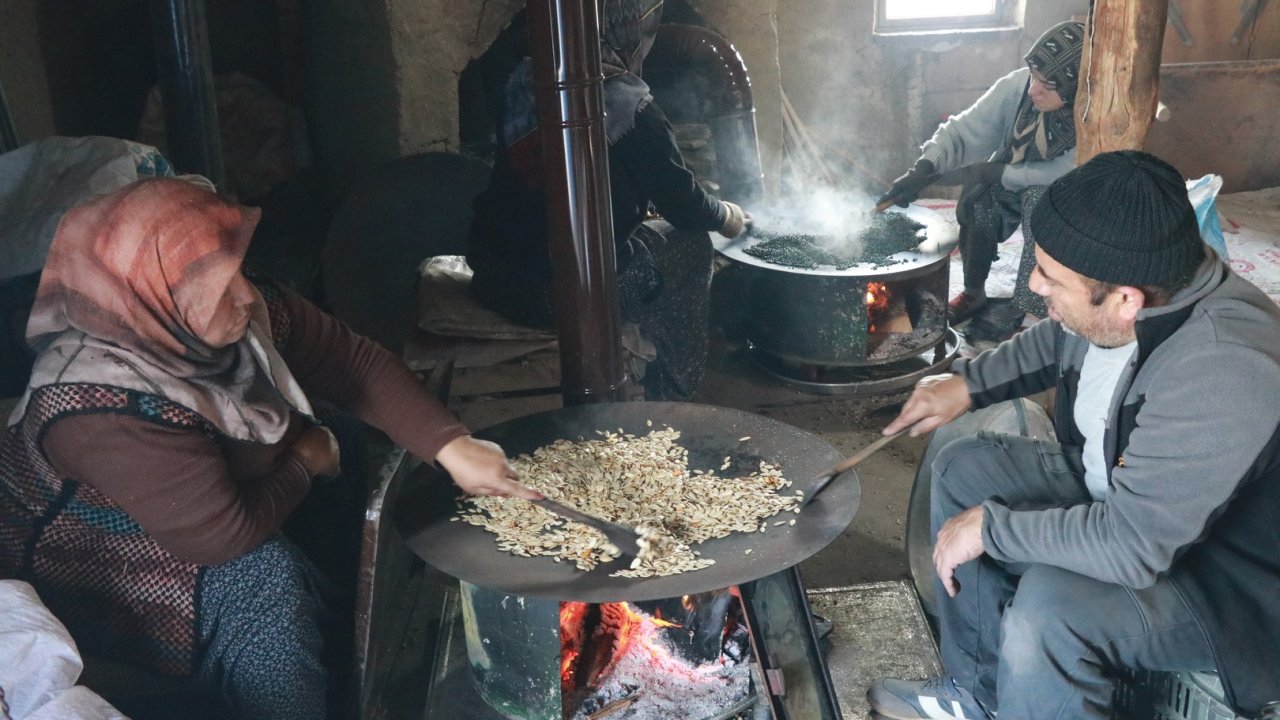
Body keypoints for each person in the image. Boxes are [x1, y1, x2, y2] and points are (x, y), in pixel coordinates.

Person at [0, 177, 543, 720]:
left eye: (237, 271)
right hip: (99, 549)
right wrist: (304, 463)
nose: (245, 295)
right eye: (216, 287)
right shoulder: (98, 410)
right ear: (152, 302)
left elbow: (350, 362)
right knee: (265, 583)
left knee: (336, 424)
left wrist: (453, 446)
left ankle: (344, 622)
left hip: (195, 489)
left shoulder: (238, 309)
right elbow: (221, 536)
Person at [867, 151, 1280, 719]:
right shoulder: (1144, 284)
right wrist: (967, 386)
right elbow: (1062, 335)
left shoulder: (1224, 369)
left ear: (1126, 300)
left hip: (1226, 582)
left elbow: (1134, 548)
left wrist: (997, 528)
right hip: (1125, 495)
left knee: (1049, 608)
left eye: (1051, 278)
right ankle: (980, 696)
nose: (1035, 286)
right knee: (965, 468)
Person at [466, 0, 750, 402]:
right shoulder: (629, 106)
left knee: (642, 237)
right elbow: (683, 205)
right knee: (689, 245)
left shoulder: (523, 80)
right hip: (559, 299)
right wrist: (727, 215)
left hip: (493, 277)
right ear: (632, 32)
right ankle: (670, 384)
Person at [878, 20, 1086, 326]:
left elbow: (1065, 171)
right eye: (1033, 76)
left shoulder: (1091, 116)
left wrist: (998, 173)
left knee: (1041, 206)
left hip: (1062, 195)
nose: (1033, 89)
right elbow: (966, 128)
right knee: (978, 202)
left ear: (1072, 84)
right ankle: (974, 291)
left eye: (1048, 84)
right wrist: (924, 169)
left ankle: (1033, 314)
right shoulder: (1018, 89)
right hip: (1009, 174)